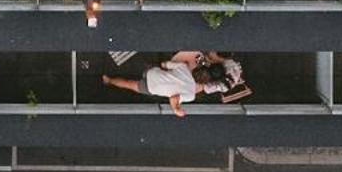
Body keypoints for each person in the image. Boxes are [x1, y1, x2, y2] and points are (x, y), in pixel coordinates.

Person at [101, 50, 243, 118]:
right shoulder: (191, 94)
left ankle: (125, 65)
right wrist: (176, 109)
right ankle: (109, 81)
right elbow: (174, 98)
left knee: (147, 67)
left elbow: (166, 64)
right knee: (129, 84)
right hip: (152, 88)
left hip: (153, 73)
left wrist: (166, 66)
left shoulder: (186, 67)